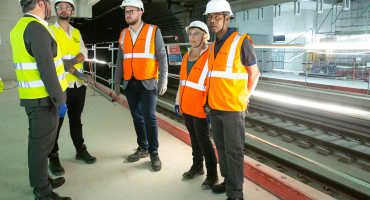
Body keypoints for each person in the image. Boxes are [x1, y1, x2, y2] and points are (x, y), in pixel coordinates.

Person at [10, 0, 74, 199]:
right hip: (44, 100)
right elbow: (46, 69)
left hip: (35, 98)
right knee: (41, 146)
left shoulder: (20, 27)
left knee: (37, 144)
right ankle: (43, 192)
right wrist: (59, 100)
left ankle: (42, 180)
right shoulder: (36, 28)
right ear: (40, 3)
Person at [202, 0, 260, 199]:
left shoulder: (241, 41)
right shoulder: (213, 45)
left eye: (217, 16)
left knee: (234, 152)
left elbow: (254, 74)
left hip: (233, 108)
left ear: (227, 17)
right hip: (215, 107)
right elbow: (212, 77)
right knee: (222, 148)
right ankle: (228, 182)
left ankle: (236, 193)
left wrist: (245, 98)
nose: (212, 21)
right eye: (210, 17)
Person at [113, 0, 168, 171]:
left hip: (148, 82)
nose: (128, 14)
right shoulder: (123, 34)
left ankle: (154, 152)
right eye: (125, 11)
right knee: (137, 117)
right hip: (130, 82)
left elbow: (162, 56)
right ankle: (142, 147)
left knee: (149, 117)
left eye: (131, 11)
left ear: (140, 12)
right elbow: (120, 59)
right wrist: (116, 80)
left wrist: (163, 79)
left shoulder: (153, 31)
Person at [48, 0, 95, 177]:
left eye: (68, 7)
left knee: (76, 119)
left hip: (78, 86)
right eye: (61, 7)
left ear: (73, 12)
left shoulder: (76, 32)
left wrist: (73, 62)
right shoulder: (50, 31)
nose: (64, 10)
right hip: (61, 85)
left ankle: (80, 148)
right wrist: (75, 71)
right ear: (55, 10)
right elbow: (53, 59)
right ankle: (53, 155)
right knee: (56, 123)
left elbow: (84, 52)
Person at [174, 21, 218, 189]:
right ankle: (197, 166)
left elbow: (212, 83)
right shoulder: (186, 55)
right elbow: (182, 82)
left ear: (205, 36)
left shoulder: (210, 56)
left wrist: (210, 107)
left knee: (204, 140)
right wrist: (178, 101)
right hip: (186, 106)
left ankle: (212, 174)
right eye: (190, 33)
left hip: (201, 107)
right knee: (193, 137)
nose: (192, 37)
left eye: (196, 33)